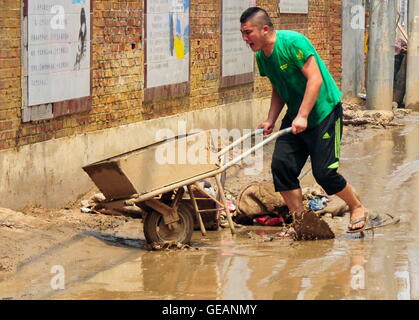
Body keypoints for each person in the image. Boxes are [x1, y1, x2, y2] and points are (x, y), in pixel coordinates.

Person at [239, 7, 367, 235]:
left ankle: (356, 207)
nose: (245, 39)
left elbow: (315, 79)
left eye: (248, 33)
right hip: (297, 114)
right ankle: (299, 221)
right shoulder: (262, 57)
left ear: (264, 29)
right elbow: (278, 87)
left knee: (325, 173)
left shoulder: (294, 42)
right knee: (281, 167)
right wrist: (271, 119)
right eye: (243, 33)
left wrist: (304, 115)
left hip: (323, 112)